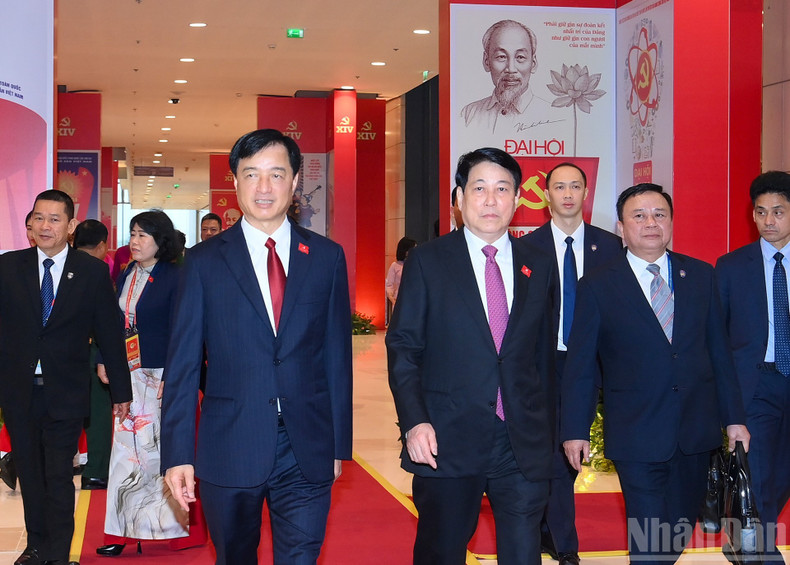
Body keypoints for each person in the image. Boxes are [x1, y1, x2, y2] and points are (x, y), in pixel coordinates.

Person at [161, 128, 353, 564]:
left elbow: (337, 358)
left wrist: (339, 446)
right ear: (234, 181)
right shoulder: (204, 262)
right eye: (251, 175)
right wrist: (176, 455)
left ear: (296, 180)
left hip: (306, 446)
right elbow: (184, 364)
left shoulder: (326, 257)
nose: (264, 188)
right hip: (229, 444)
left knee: (302, 556)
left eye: (276, 174)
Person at [561, 183, 750, 565]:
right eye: (639, 216)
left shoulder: (700, 275)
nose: (651, 223)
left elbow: (719, 354)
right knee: (648, 541)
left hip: (695, 434)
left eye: (659, 215)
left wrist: (734, 420)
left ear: (671, 223)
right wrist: (575, 430)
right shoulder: (598, 284)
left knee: (676, 533)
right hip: (636, 433)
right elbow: (581, 366)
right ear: (620, 228)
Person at [387, 147, 557, 565]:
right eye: (479, 188)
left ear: (518, 199)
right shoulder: (428, 260)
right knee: (441, 552)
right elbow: (404, 348)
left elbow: (543, 354)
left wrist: (554, 427)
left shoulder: (539, 262)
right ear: (459, 199)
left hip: (521, 439)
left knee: (523, 552)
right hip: (447, 438)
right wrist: (414, 420)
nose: (490, 199)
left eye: (502, 189)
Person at [0, 189, 132, 565]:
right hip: (19, 390)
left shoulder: (91, 272)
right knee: (30, 472)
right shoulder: (9, 267)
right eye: (39, 218)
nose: (45, 226)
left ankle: (58, 554)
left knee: (58, 475)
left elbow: (109, 331)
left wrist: (120, 390)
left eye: (55, 219)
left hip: (66, 391)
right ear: (29, 224)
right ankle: (36, 547)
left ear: (71, 226)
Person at [524, 162, 622, 565]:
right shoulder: (527, 248)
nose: (567, 194)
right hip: (547, 365)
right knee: (555, 452)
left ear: (586, 193)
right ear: (546, 195)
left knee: (578, 448)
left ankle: (551, 529)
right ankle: (565, 544)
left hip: (600, 365)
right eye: (559, 187)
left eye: (575, 186)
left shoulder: (612, 247)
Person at [97, 211, 188, 556]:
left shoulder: (177, 277)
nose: (134, 242)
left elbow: (186, 331)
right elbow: (111, 324)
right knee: (125, 455)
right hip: (130, 376)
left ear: (160, 241)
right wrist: (104, 359)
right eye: (133, 234)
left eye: (143, 235)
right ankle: (120, 529)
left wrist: (178, 375)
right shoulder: (127, 274)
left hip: (163, 377)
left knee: (161, 454)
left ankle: (175, 529)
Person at [716, 170, 790, 558]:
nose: (768, 221)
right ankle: (762, 551)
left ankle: (744, 538)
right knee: (757, 472)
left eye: (778, 211)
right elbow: (719, 338)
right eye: (761, 212)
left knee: (781, 476)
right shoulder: (731, 267)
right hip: (756, 384)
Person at [460, 20, 566, 139]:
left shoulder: (555, 117)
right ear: (486, 61)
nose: (511, 69)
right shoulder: (468, 114)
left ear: (534, 63)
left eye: (520, 57)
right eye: (501, 57)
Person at [72, 220, 113, 491]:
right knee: (97, 414)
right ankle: (96, 471)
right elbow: (106, 321)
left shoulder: (61, 265)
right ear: (101, 245)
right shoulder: (99, 271)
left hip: (59, 355)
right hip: (91, 352)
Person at [385, 237, 417, 305]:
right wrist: (392, 299)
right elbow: (389, 285)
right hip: (399, 301)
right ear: (405, 250)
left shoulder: (417, 265)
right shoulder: (395, 265)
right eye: (412, 249)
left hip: (415, 301)